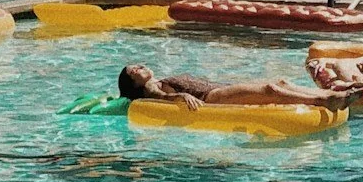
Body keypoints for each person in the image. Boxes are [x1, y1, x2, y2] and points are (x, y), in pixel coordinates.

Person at [116, 62, 323, 108]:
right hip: (213, 97)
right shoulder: (150, 87)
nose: (141, 66)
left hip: (217, 89)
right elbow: (162, 98)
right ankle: (322, 100)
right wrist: (181, 97)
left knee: (281, 83)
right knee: (270, 90)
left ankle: (328, 95)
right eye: (135, 70)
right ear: (134, 81)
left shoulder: (156, 81)